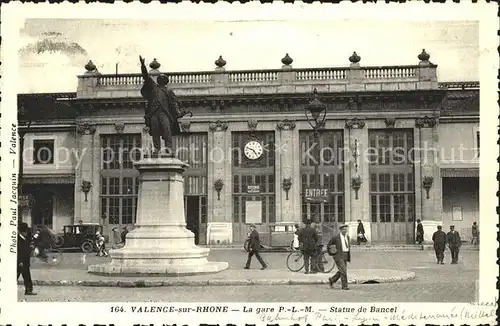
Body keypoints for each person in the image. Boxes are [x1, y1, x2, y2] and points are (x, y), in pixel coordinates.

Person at [139, 55, 182, 154]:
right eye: (160, 78)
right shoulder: (154, 88)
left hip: (164, 113)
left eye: (163, 78)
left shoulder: (169, 91)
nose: (161, 79)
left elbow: (174, 103)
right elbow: (146, 76)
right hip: (153, 113)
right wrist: (142, 65)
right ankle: (157, 149)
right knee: (155, 131)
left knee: (167, 130)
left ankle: (169, 148)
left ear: (165, 81)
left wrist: (177, 112)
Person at [327, 224, 351, 290]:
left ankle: (332, 280)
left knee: (342, 270)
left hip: (345, 255)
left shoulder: (347, 237)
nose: (345, 230)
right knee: (343, 270)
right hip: (338, 255)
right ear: (340, 230)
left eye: (346, 229)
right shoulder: (336, 237)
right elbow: (329, 245)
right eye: (344, 229)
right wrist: (332, 253)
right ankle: (345, 286)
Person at [17, 223, 36, 295]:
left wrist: (31, 247)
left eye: (26, 231)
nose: (26, 233)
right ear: (20, 232)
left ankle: (28, 291)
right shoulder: (17, 240)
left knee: (27, 276)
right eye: (24, 232)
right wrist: (19, 261)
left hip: (25, 260)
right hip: (19, 261)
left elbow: (30, 245)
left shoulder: (27, 237)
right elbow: (17, 252)